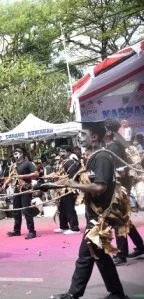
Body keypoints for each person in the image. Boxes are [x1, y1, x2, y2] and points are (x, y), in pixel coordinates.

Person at [51, 120, 127, 299]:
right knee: (99, 256)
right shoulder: (93, 156)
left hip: (101, 217)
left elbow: (100, 187)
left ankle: (73, 294)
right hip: (96, 215)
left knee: (85, 256)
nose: (79, 137)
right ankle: (117, 293)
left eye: (83, 134)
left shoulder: (101, 157)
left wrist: (74, 184)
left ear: (94, 136)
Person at [104, 118, 144, 266]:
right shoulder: (119, 142)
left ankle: (121, 254)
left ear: (107, 131)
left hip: (118, 188)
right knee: (124, 220)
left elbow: (116, 171)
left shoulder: (114, 146)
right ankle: (140, 246)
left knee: (118, 220)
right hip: (123, 187)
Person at [3, 148, 39, 240]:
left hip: (25, 189)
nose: (15, 155)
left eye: (17, 153)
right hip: (17, 189)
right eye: (14, 153)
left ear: (22, 154)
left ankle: (31, 231)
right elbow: (12, 176)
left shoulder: (28, 163)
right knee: (16, 210)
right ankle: (16, 230)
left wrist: (23, 176)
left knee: (26, 210)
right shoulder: (14, 165)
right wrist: (5, 184)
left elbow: (36, 174)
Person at [46, 146, 81, 234]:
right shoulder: (62, 162)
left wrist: (57, 177)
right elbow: (58, 173)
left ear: (69, 152)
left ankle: (74, 228)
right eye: (60, 151)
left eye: (63, 151)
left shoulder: (71, 162)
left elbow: (71, 176)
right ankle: (63, 226)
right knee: (61, 208)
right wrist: (49, 176)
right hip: (60, 189)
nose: (61, 153)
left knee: (69, 208)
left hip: (69, 189)